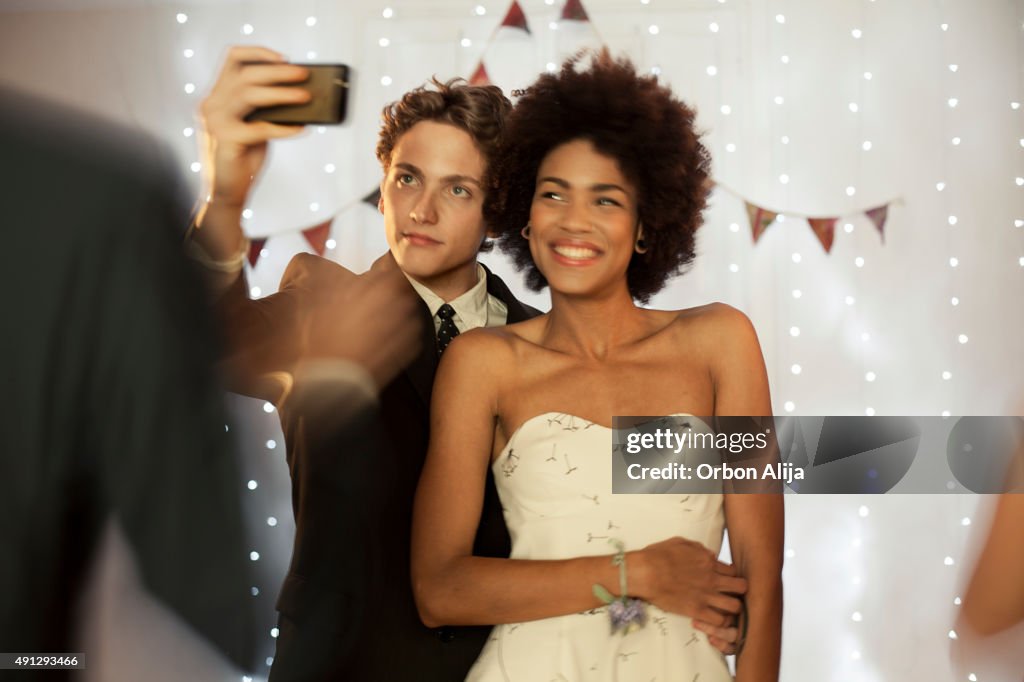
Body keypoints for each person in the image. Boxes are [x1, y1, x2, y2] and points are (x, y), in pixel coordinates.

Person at [412, 52, 784, 681]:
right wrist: (635, 573)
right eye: (552, 194)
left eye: (606, 200)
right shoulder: (485, 363)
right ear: (525, 218)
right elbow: (440, 590)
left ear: (645, 227)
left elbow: (762, 568)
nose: (573, 221)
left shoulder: (721, 343)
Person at [188, 46, 541, 680]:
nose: (421, 211)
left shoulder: (543, 341)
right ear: (381, 186)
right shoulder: (319, 305)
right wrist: (224, 194)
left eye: (456, 188)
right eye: (408, 177)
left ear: (497, 211)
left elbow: (633, 456)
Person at [0, 87, 255, 679]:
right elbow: (202, 583)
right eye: (404, 178)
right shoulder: (96, 198)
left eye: (458, 187)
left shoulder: (98, 200)